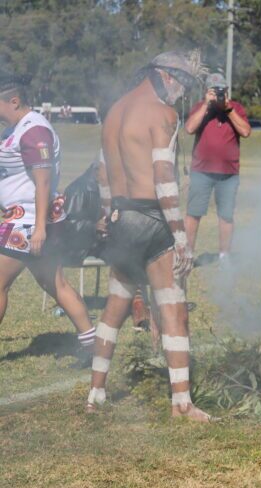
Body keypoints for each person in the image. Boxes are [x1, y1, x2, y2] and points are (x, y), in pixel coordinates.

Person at [88, 51, 211, 422]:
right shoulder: (162, 114)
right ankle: (181, 404)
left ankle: (95, 393)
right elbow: (163, 180)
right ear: (166, 77)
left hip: (122, 217)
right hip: (153, 219)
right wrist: (180, 236)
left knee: (114, 307)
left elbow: (102, 170)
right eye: (184, 84)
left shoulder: (114, 111)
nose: (182, 93)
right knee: (172, 307)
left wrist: (108, 213)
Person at [0, 71, 96, 364]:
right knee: (55, 284)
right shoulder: (16, 128)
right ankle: (93, 345)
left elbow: (43, 182)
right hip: (23, 219)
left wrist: (40, 228)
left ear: (14, 101)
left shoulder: (34, 131)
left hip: (27, 222)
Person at [184, 73, 251, 262]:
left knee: (226, 216)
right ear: (207, 91)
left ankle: (224, 257)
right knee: (193, 213)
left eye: (222, 90)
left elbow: (245, 131)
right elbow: (189, 129)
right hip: (201, 172)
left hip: (229, 174)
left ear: (227, 91)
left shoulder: (235, 108)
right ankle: (188, 254)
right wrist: (206, 105)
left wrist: (229, 109)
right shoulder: (200, 108)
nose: (219, 94)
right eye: (215, 91)